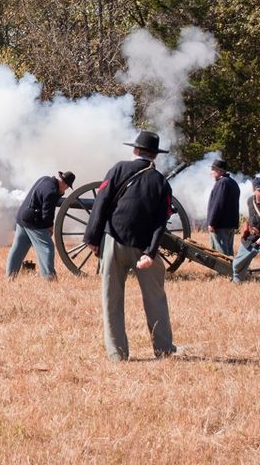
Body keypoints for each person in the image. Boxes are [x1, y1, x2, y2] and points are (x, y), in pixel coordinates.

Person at [83, 130, 176, 362]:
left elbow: (101, 203)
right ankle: (163, 350)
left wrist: (93, 239)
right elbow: (160, 222)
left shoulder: (118, 169)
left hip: (113, 241)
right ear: (155, 155)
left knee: (111, 299)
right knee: (155, 299)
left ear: (135, 150)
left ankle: (117, 353)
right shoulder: (160, 181)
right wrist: (151, 253)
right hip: (143, 246)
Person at [6, 170, 75, 280]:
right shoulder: (52, 192)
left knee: (18, 249)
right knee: (47, 248)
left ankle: (10, 276)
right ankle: (49, 278)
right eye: (67, 187)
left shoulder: (44, 179)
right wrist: (50, 226)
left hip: (22, 217)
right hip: (34, 222)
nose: (65, 190)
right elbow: (47, 213)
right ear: (65, 184)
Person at [205, 159, 240, 256]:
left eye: (213, 169)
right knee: (228, 250)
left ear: (219, 171)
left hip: (220, 224)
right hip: (230, 223)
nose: (211, 172)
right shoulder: (232, 182)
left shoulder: (222, 183)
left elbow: (218, 204)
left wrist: (212, 222)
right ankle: (231, 269)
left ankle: (224, 271)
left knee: (221, 252)